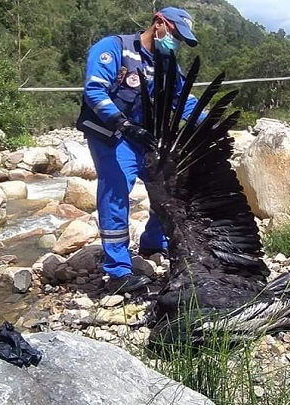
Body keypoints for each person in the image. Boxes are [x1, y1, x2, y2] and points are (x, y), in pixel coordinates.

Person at [76, 7, 204, 294]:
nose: (175, 42)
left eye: (180, 40)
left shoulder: (167, 61)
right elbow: (95, 91)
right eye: (174, 34)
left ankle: (153, 242)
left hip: (145, 136)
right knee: (117, 190)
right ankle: (119, 272)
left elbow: (182, 100)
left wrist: (212, 124)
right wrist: (124, 125)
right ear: (159, 23)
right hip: (112, 134)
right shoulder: (114, 48)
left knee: (167, 186)